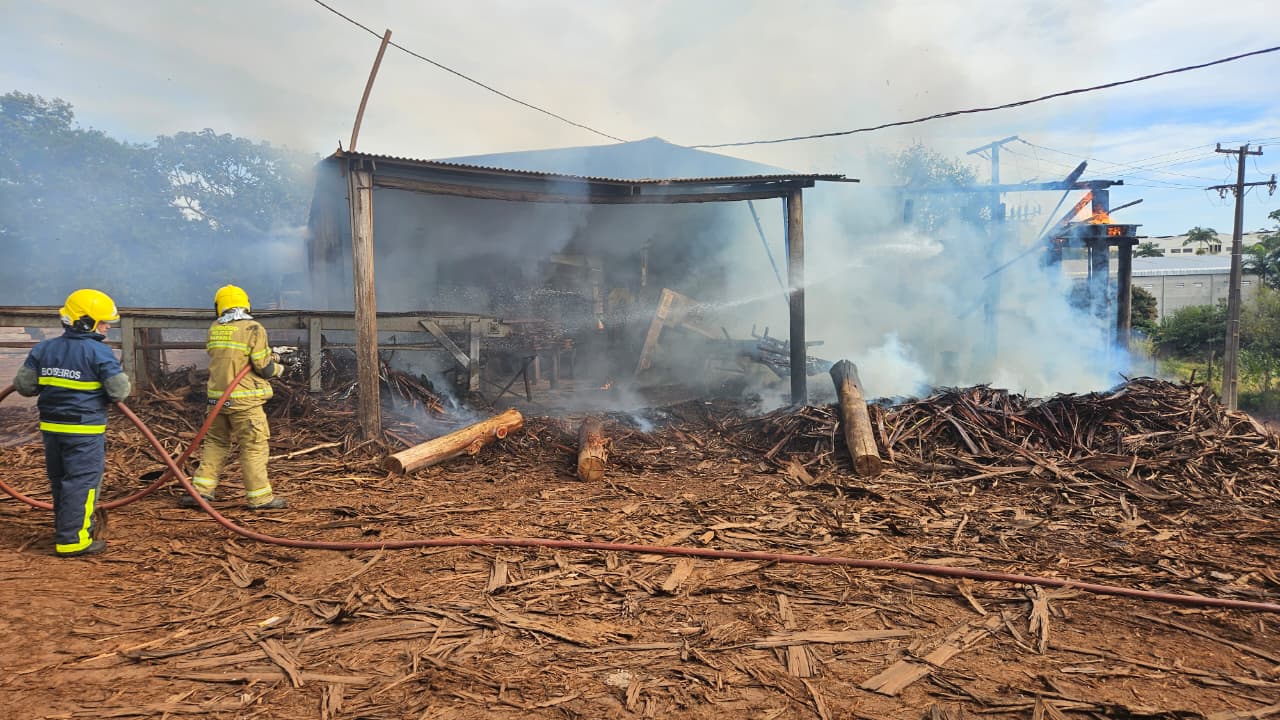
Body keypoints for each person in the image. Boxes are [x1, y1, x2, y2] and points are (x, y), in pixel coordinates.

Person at [12, 289, 131, 557]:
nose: (108, 327)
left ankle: (65, 529)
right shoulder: (100, 353)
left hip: (52, 429)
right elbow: (119, 391)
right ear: (85, 321)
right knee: (83, 483)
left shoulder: (44, 349)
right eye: (103, 322)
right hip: (84, 431)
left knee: (61, 480)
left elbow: (24, 386)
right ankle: (74, 540)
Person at [181, 285, 287, 510]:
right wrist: (280, 368)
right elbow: (264, 368)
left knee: (216, 443)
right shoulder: (253, 328)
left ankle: (201, 493)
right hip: (244, 403)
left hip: (217, 401)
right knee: (254, 446)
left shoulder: (214, 328)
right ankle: (260, 498)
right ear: (246, 304)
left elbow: (232, 357)